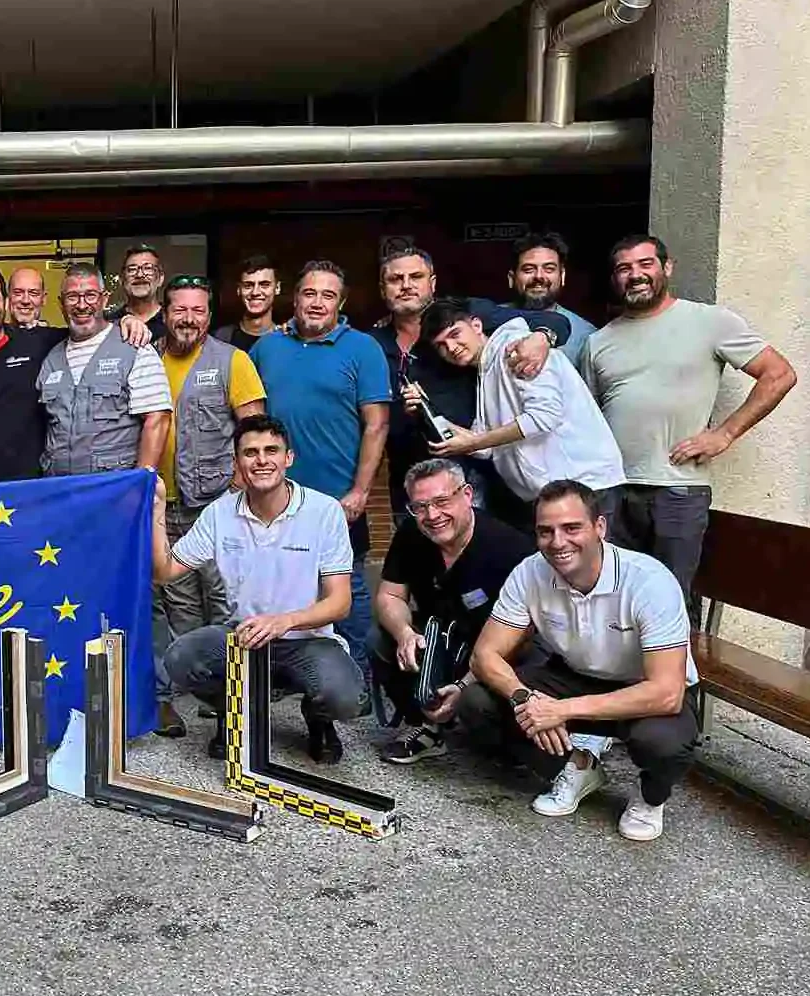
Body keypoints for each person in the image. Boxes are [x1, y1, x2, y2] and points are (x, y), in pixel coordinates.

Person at [442, 480, 699, 842]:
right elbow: (486, 655)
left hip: (642, 690)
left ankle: (650, 798)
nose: (558, 542)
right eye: (545, 531)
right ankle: (577, 766)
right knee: (478, 700)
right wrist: (524, 699)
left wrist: (560, 711)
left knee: (662, 742)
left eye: (571, 528)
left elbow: (666, 692)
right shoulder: (530, 572)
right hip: (575, 675)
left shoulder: (649, 580)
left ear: (600, 528)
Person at [580, 234, 797, 608]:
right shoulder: (598, 342)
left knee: (672, 604)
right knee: (613, 602)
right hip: (612, 491)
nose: (635, 275)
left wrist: (725, 434)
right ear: (615, 279)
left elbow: (779, 374)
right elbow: (587, 420)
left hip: (678, 491)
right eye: (624, 268)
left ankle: (678, 670)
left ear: (666, 267)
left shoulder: (710, 321)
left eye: (645, 264)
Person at [152, 415, 364, 763]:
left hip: (307, 640)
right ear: (236, 462)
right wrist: (157, 509)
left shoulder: (324, 511)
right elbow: (165, 572)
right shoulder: (219, 514)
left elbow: (340, 602)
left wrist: (284, 621)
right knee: (181, 658)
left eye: (271, 450)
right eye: (250, 453)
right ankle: (233, 714)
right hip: (243, 638)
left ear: (288, 458)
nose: (262, 460)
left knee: (346, 696)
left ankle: (319, 718)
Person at [249, 261, 390, 687]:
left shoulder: (363, 349)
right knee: (275, 583)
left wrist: (361, 491)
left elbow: (377, 424)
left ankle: (360, 678)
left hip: (337, 499)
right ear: (295, 297)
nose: (317, 303)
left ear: (341, 303)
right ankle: (276, 677)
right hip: (275, 496)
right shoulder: (268, 348)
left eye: (328, 295)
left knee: (348, 592)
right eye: (310, 293)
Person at [150, 275, 266, 737]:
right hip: (168, 506)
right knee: (178, 602)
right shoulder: (148, 359)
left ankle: (229, 707)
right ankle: (199, 689)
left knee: (224, 602)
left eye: (198, 310)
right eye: (180, 309)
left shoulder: (231, 361)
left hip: (217, 505)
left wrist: (239, 490)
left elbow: (256, 431)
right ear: (165, 313)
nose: (189, 319)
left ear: (209, 316)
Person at [364, 248, 563, 516]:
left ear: (432, 283)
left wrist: (541, 338)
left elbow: (554, 321)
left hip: (474, 472)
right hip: (409, 478)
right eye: (396, 279)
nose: (406, 285)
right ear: (382, 288)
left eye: (416, 276)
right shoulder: (371, 343)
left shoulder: (464, 313)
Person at [371, 459, 535, 763]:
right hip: (443, 635)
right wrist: (405, 633)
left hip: (499, 648)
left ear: (468, 495)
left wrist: (466, 683)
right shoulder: (411, 533)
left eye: (442, 501)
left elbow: (524, 636)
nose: (432, 515)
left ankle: (509, 742)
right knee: (381, 639)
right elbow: (390, 595)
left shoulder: (510, 549)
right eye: (420, 507)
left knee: (482, 712)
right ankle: (425, 725)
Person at [413, 298, 624, 530]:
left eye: (455, 334)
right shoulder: (485, 368)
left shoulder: (517, 349)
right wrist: (439, 422)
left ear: (476, 325)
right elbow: (486, 448)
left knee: (595, 564)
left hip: (585, 484)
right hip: (547, 492)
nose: (451, 348)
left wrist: (475, 441)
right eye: (441, 345)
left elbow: (543, 417)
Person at [0, 267, 154, 481]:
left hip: (37, 490)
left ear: (5, 302)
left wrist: (127, 320)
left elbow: (88, 325)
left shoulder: (39, 342)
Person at [37, 262, 172, 476]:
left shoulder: (134, 346)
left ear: (104, 299)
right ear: (61, 304)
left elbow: (157, 419)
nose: (82, 305)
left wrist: (139, 484)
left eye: (90, 295)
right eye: (72, 297)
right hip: (60, 489)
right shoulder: (50, 359)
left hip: (113, 487)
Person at [507, 232, 595, 364]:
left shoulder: (586, 336)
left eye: (549, 269)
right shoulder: (487, 322)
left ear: (562, 276)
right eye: (528, 269)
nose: (539, 277)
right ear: (511, 278)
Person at [212, 254, 280, 351]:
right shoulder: (220, 339)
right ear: (239, 289)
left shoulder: (286, 339)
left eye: (264, 285)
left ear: (277, 288)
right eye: (248, 286)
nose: (255, 292)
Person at [107, 244, 168, 341]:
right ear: (122, 280)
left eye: (148, 268)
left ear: (160, 278)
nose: (139, 275)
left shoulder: (172, 321)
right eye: (132, 269)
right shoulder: (109, 324)